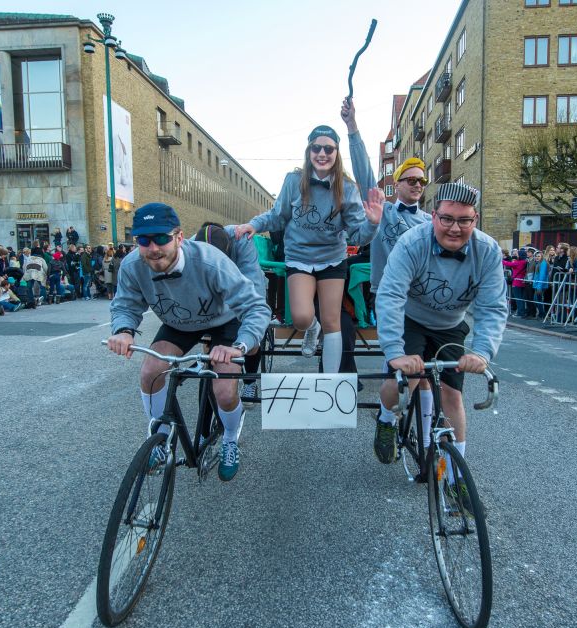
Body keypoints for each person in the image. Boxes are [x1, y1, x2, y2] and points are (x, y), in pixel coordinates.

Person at [108, 203, 272, 482]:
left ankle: (230, 437)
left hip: (224, 320)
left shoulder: (210, 261)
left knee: (223, 389)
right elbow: (125, 304)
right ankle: (159, 439)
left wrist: (240, 346)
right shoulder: (132, 265)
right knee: (150, 371)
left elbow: (256, 308)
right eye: (144, 240)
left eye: (161, 238)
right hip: (178, 322)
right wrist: (124, 330)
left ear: (179, 238)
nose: (154, 248)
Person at [373, 182, 508, 495]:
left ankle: (455, 479)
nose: (454, 228)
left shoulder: (486, 251)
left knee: (452, 394)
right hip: (411, 318)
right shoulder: (411, 243)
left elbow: (493, 306)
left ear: (475, 220)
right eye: (446, 218)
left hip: (451, 323)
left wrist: (483, 352)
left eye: (464, 221)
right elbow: (391, 295)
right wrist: (394, 352)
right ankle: (385, 418)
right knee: (405, 379)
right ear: (433, 216)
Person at [234, 124, 383, 372]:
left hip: (333, 259)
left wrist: (373, 223)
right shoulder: (294, 181)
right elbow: (278, 215)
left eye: (328, 148)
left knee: (332, 321)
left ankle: (331, 382)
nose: (322, 153)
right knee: (303, 318)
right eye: (316, 147)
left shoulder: (347, 188)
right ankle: (312, 330)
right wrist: (254, 224)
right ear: (309, 151)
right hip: (299, 258)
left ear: (336, 153)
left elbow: (358, 236)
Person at [342, 98, 431, 296]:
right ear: (397, 184)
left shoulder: (430, 221)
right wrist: (351, 126)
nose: (417, 185)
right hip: (386, 293)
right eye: (411, 180)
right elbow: (363, 172)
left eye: (421, 181)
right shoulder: (383, 211)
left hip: (420, 296)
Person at [193, 222, 267, 404]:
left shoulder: (240, 241)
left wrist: (251, 327)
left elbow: (254, 290)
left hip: (246, 288)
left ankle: (249, 380)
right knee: (211, 352)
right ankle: (203, 431)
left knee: (252, 337)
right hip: (215, 295)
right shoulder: (191, 247)